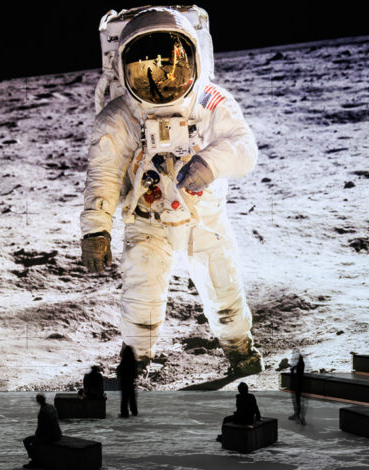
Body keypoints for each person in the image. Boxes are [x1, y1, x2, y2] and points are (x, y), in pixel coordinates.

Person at [81, 6, 262, 378]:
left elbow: (244, 147)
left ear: (193, 58)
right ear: (124, 69)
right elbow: (104, 173)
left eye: (173, 66)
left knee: (222, 286)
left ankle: (239, 348)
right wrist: (96, 229)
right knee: (141, 292)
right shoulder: (121, 116)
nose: (161, 80)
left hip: (201, 215)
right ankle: (136, 360)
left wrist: (209, 164)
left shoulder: (209, 101)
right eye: (144, 70)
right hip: (146, 218)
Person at [23, 394, 62, 468]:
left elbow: (40, 427)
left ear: (37, 401)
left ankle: (33, 461)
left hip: (49, 437)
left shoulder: (43, 411)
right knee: (36, 441)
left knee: (26, 441)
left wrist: (37, 435)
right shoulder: (51, 407)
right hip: (57, 434)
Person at [116, 345, 138, 417]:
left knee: (124, 398)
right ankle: (134, 411)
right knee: (132, 397)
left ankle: (124, 413)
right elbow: (135, 373)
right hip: (130, 382)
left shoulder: (124, 361)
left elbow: (120, 371)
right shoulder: (133, 361)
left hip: (124, 382)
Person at [288, 351, 306, 424]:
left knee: (297, 401)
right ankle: (299, 416)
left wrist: (292, 370)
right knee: (298, 401)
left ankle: (299, 416)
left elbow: (295, 373)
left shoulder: (299, 365)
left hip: (297, 384)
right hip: (299, 384)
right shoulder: (301, 364)